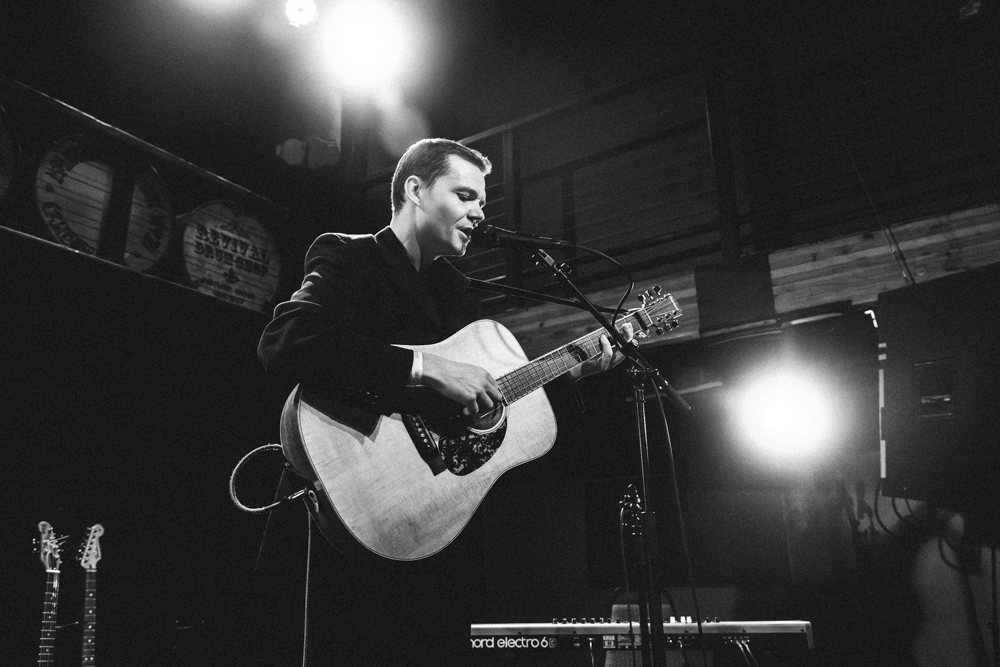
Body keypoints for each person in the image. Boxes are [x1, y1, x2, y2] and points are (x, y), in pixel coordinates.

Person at [256, 138, 626, 666]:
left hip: (435, 525)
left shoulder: (458, 290)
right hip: (347, 510)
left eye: (482, 201)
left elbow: (481, 406)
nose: (480, 212)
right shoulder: (350, 255)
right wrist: (424, 367)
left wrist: (573, 373)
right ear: (415, 190)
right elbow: (287, 342)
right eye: (466, 195)